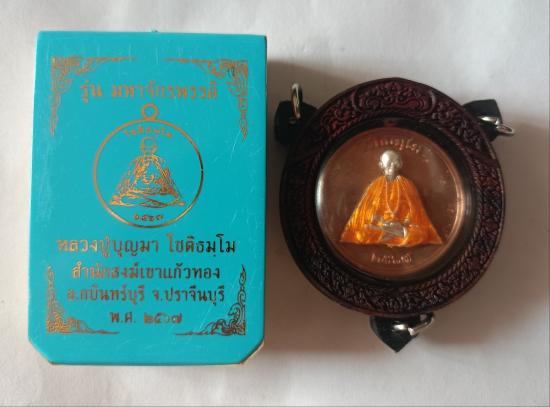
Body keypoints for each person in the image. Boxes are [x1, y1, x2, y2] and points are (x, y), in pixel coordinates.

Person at [340, 149, 442, 247]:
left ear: (399, 164)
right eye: (388, 164)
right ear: (381, 165)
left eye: (394, 164)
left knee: (420, 234)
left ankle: (391, 235)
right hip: (381, 226)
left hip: (401, 226)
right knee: (361, 234)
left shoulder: (407, 185)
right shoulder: (374, 186)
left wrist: (401, 223)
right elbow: (366, 213)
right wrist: (381, 222)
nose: (391, 168)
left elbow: (415, 213)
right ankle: (393, 235)